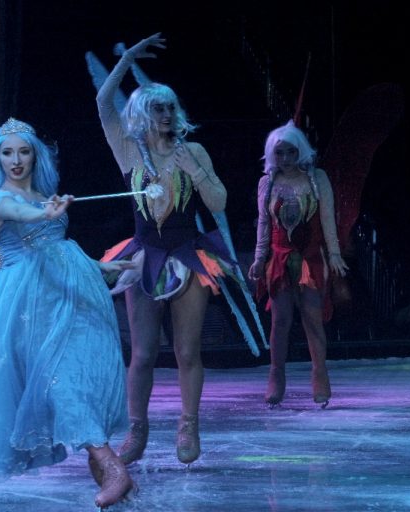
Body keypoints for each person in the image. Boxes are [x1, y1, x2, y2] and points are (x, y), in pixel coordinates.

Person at [0, 118, 134, 509]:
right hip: (29, 305)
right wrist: (42, 214)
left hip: (70, 294)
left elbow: (56, 246)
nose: (16, 160)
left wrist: (101, 266)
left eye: (23, 151)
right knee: (55, 382)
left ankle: (108, 468)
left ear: (35, 156)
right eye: (7, 153)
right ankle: (111, 467)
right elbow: (20, 215)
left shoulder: (45, 194)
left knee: (77, 375)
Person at [97, 33, 233, 466]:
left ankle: (188, 425)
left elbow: (219, 203)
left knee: (187, 351)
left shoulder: (194, 150)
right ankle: (137, 428)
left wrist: (196, 169)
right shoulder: (128, 151)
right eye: (158, 107)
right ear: (141, 112)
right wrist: (127, 60)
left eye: (171, 107)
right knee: (142, 353)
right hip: (145, 257)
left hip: (188, 254)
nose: (167, 114)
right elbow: (103, 103)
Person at [248, 120, 348, 408]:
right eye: (280, 153)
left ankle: (320, 374)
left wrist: (335, 254)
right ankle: (276, 374)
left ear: (301, 151)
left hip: (310, 258)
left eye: (291, 152)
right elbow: (263, 224)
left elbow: (328, 218)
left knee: (312, 318)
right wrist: (259, 258)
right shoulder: (267, 183)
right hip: (279, 259)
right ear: (272, 154)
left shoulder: (317, 178)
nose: (286, 158)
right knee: (280, 320)